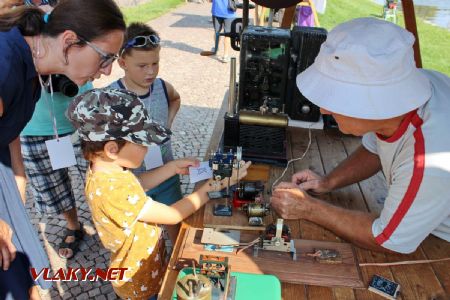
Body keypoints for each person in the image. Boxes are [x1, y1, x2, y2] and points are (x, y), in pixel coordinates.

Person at [271, 18, 450, 254]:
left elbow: (387, 239)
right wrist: (328, 181)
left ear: (373, 103)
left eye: (335, 97)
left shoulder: (429, 159)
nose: (324, 109)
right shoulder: (404, 99)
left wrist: (308, 208)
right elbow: (376, 148)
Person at [66, 88, 251, 300]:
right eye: (142, 142)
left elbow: (137, 185)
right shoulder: (111, 189)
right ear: (112, 149)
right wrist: (208, 190)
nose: (148, 147)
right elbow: (172, 215)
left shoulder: (107, 172)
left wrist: (171, 168)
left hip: (150, 265)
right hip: (139, 283)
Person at [0, 0, 125, 298]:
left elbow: (9, 131)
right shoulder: (5, 64)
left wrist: (19, 182)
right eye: (105, 58)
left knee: (24, 279)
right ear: (69, 40)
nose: (106, 72)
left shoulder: (31, 62)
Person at [108, 23, 182, 244]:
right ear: (123, 63)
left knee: (175, 221)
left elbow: (176, 98)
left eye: (155, 63)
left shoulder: (161, 86)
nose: (150, 71)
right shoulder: (112, 96)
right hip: (134, 182)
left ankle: (175, 259)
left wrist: (167, 123)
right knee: (140, 234)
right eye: (142, 65)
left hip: (166, 172)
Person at [20, 82, 93, 259]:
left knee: (101, 180)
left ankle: (109, 226)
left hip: (83, 116)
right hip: (33, 125)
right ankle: (73, 226)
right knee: (54, 189)